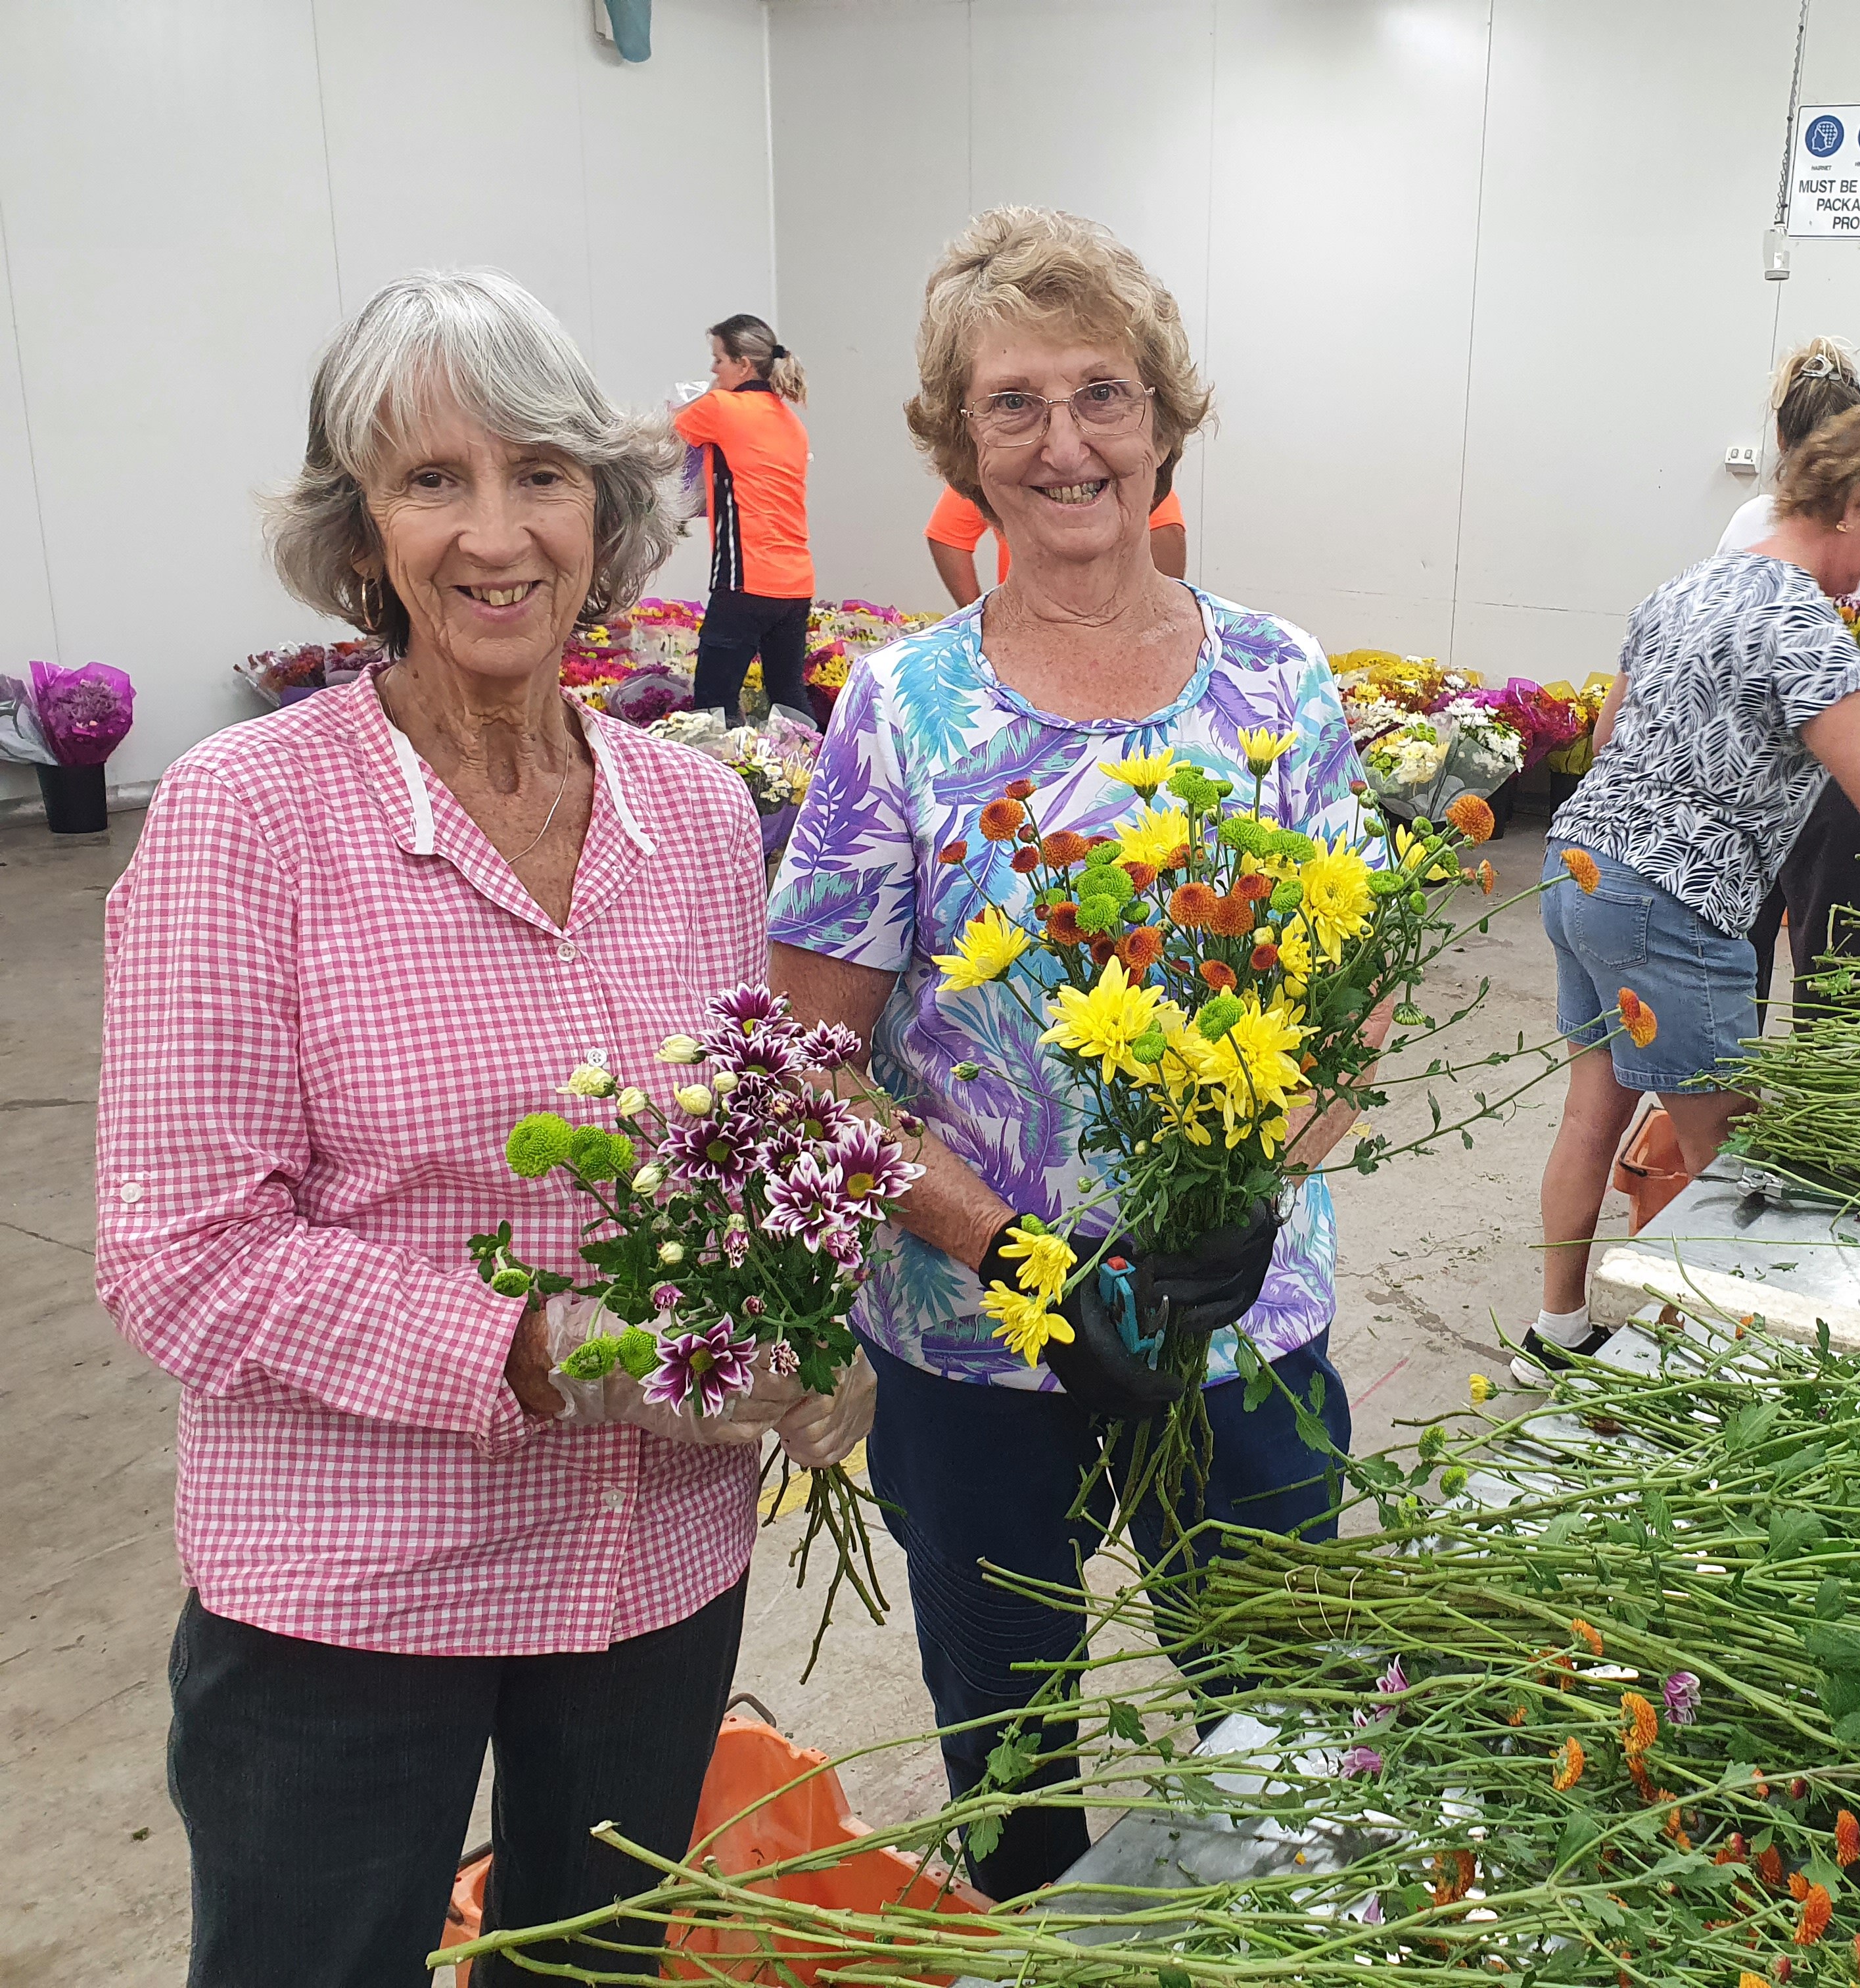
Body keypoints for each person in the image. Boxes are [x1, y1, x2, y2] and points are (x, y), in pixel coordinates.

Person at [95, 270, 865, 1987]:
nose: (495, 533)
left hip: (652, 1564)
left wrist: (814, 1312)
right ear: (359, 534)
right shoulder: (250, 819)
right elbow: (180, 1257)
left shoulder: (692, 812)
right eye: (431, 482)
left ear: (607, 509)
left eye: (539, 474)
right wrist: (543, 1346)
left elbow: (755, 1148)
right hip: (356, 1599)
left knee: (588, 1967)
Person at [766, 206, 1376, 1901]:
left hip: (1240, 1324)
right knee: (1013, 1755)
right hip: (981, 1354)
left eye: (1101, 394)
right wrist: (1013, 1252)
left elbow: (1356, 998)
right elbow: (813, 1062)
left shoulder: (1279, 681)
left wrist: (1259, 1187)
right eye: (1012, 404)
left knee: (1286, 1735)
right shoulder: (902, 709)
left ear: (1164, 420)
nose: (1064, 443)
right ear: (959, 444)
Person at [1520, 410, 1860, 1384]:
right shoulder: (1799, 625)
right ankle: (1738, 1376)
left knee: (1590, 1115)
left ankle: (1555, 1335)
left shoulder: (1681, 587)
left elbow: (1607, 744)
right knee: (1732, 1158)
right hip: (1669, 904)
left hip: (1580, 873)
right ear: (1856, 504)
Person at [1716, 337, 1860, 1020]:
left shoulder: (1750, 521)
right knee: (1837, 949)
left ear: (1779, 434)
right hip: (1839, 771)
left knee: (1738, 938)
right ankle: (1821, 1102)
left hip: (1751, 768)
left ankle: (1727, 1090)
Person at [674, 313, 814, 724]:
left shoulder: (721, 407)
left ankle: (719, 787)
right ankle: (820, 774)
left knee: (713, 709)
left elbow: (664, 434)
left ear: (743, 365)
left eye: (718, 360)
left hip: (744, 580)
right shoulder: (792, 422)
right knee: (789, 698)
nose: (713, 371)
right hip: (795, 584)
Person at [926, 478, 1186, 604]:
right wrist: (979, 618)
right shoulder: (1002, 476)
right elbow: (947, 534)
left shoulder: (1133, 479)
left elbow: (1166, 532)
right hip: (1023, 637)